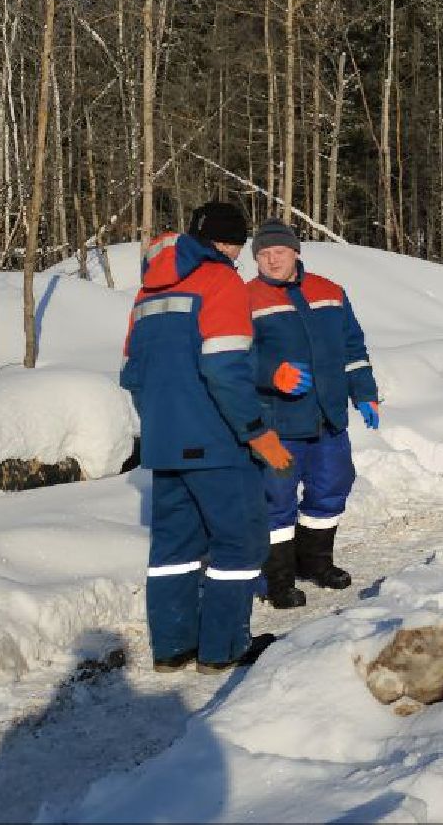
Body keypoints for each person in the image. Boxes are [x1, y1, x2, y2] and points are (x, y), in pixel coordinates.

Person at [120, 200, 292, 673]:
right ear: (226, 243)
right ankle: (224, 648)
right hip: (217, 443)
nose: (237, 257)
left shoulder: (145, 295)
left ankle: (172, 648)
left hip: (163, 442)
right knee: (239, 543)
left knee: (174, 548)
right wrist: (256, 432)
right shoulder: (221, 281)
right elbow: (224, 368)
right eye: (237, 247)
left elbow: (132, 375)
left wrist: (160, 425)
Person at [245, 219, 381, 605]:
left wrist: (365, 394)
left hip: (328, 417)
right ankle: (278, 579)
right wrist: (273, 374)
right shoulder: (246, 298)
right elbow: (236, 357)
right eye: (264, 254)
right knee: (276, 498)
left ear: (295, 252)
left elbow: (353, 350)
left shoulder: (330, 292)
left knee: (332, 485)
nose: (272, 260)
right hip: (278, 422)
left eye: (280, 252)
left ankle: (315, 562)